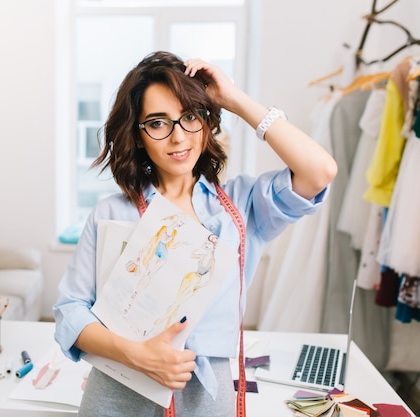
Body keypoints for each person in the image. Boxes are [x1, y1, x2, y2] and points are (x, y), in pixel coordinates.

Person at [53, 51, 337, 417]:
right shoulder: (112, 212)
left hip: (205, 390)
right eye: (158, 123)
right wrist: (139, 355)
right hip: (119, 386)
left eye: (190, 117)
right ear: (138, 136)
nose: (177, 137)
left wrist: (233, 99)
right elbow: (70, 311)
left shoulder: (242, 207)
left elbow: (319, 171)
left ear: (206, 122)